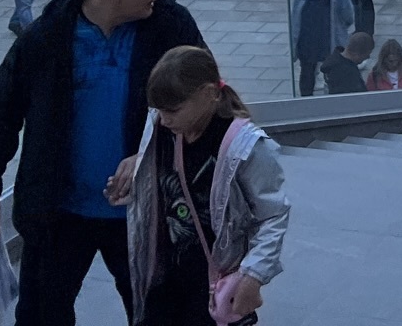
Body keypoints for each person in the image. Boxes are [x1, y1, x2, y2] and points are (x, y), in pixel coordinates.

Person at [0, 0, 204, 326]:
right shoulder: (46, 37)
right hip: (58, 215)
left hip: (145, 214)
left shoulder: (171, 27)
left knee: (163, 316)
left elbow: (207, 101)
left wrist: (149, 152)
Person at [124, 45, 289, 326]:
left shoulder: (245, 146)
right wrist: (134, 172)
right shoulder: (164, 128)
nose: (163, 119)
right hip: (165, 277)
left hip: (215, 284)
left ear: (208, 93)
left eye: (173, 110)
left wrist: (254, 276)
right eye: (159, 110)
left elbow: (272, 214)